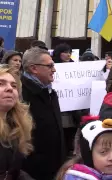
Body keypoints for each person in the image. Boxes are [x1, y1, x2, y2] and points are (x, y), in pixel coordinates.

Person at [21, 48, 66, 180]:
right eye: (50, 66)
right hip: (32, 171)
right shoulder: (21, 94)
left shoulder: (50, 92)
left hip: (54, 168)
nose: (54, 69)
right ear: (34, 68)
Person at [0, 65, 34, 180]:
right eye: (1, 84)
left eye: (14, 86)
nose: (10, 88)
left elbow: (14, 172)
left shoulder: (16, 127)